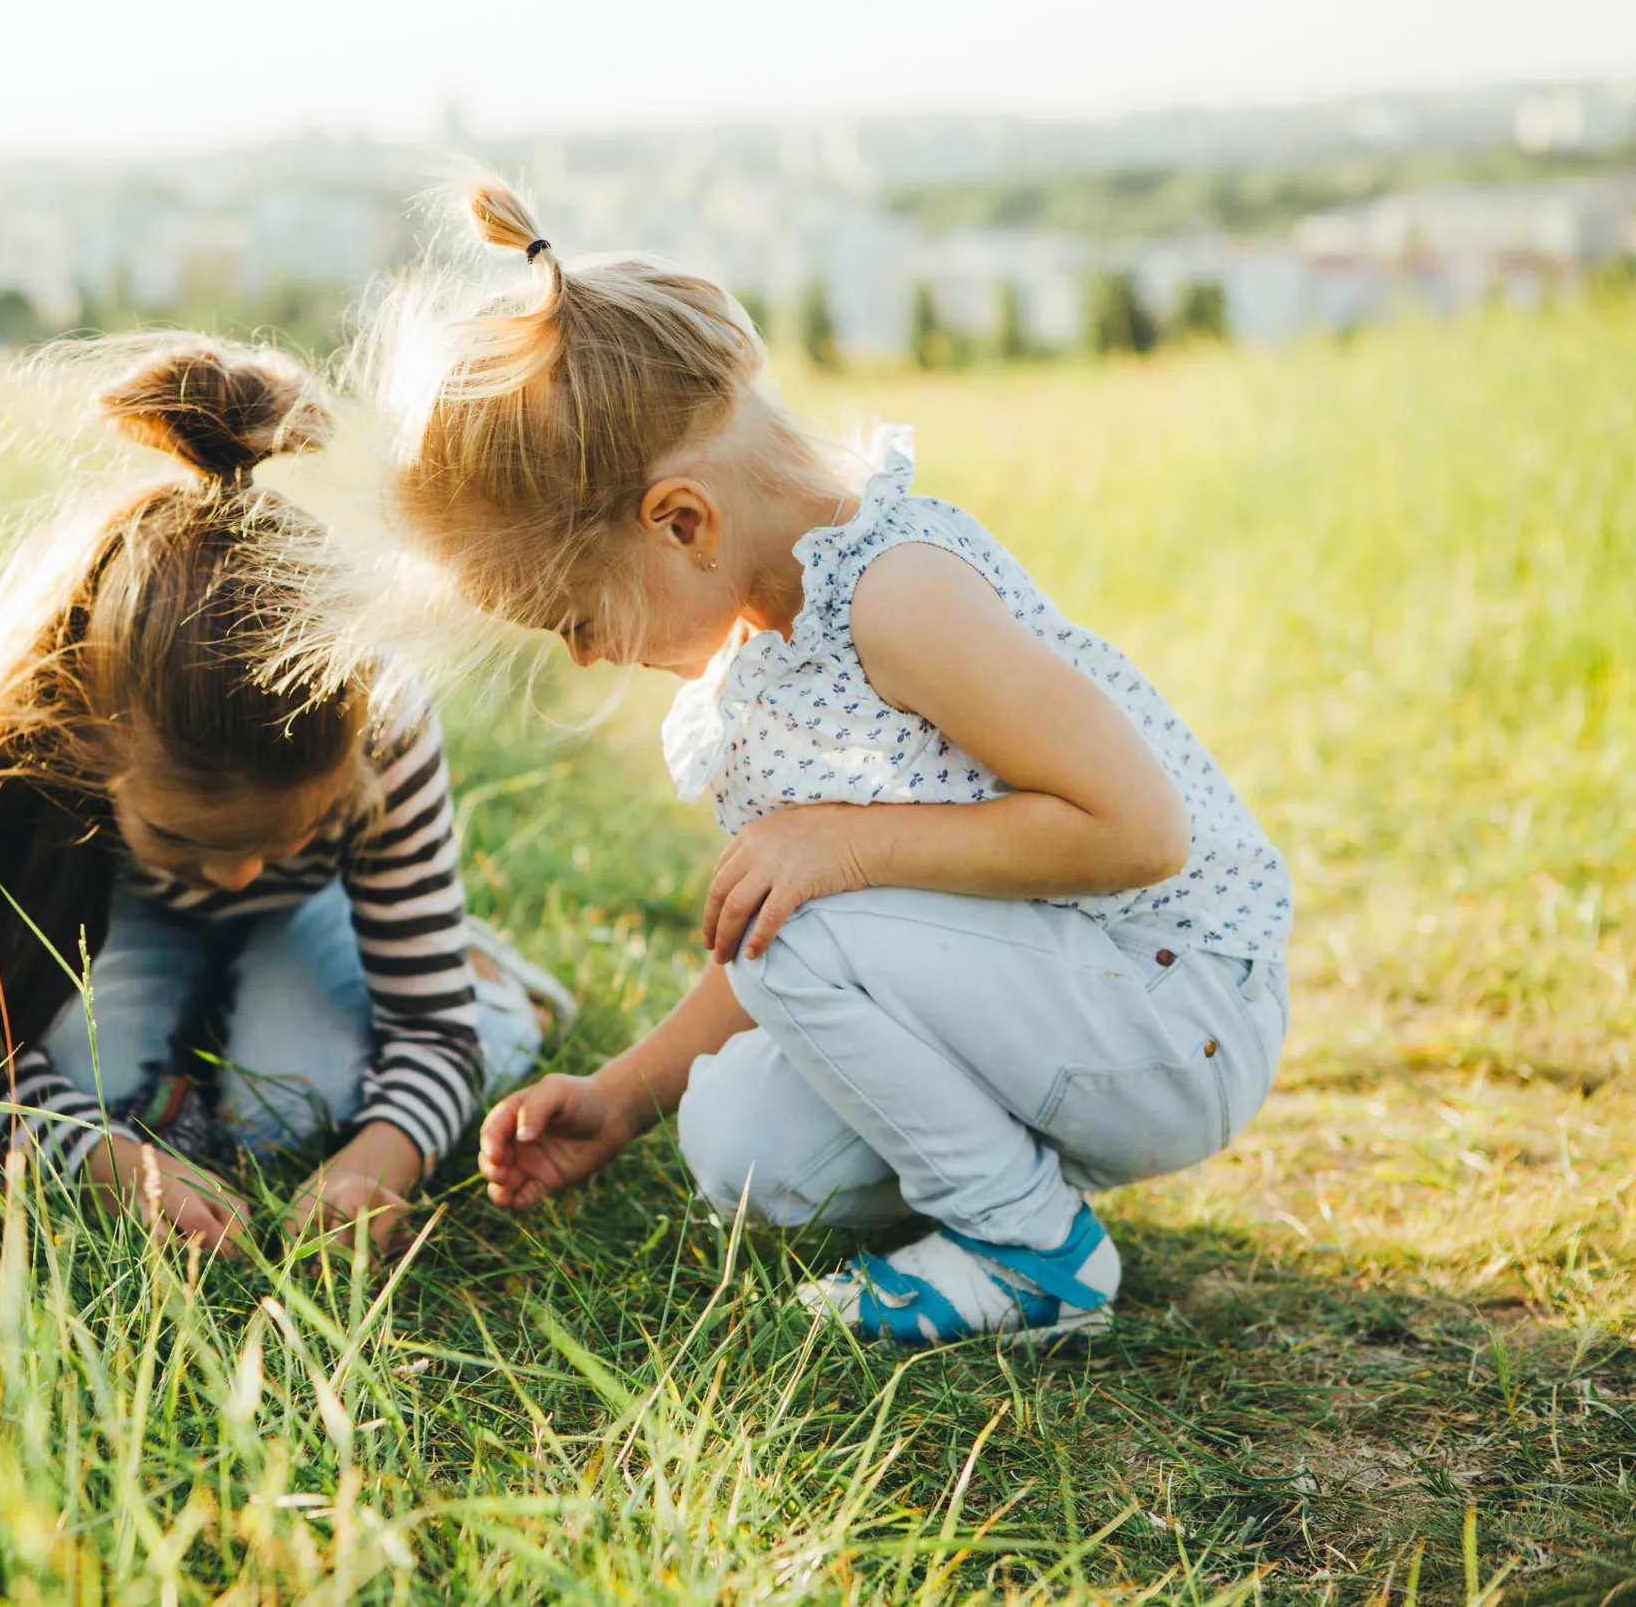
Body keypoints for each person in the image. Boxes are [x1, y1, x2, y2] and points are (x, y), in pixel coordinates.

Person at [361, 178, 1291, 1344]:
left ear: (682, 522)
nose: (590, 659)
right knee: (745, 1149)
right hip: (1062, 1004)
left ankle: (1032, 1249)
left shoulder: (900, 593)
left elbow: (1138, 833)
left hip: (1174, 1009)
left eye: (574, 618)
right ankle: (1009, 1186)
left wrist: (841, 844)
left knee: (803, 902)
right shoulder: (766, 654)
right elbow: (782, 930)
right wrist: (618, 1100)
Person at [0, 338, 568, 1255]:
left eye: (285, 834)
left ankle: (496, 988)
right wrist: (106, 1159)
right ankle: (197, 1036)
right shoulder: (47, 731)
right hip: (118, 919)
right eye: (184, 838)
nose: (235, 873)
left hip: (318, 916)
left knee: (292, 1107)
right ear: (88, 752)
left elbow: (429, 1034)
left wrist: (373, 1165)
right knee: (92, 1088)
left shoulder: (386, 727)